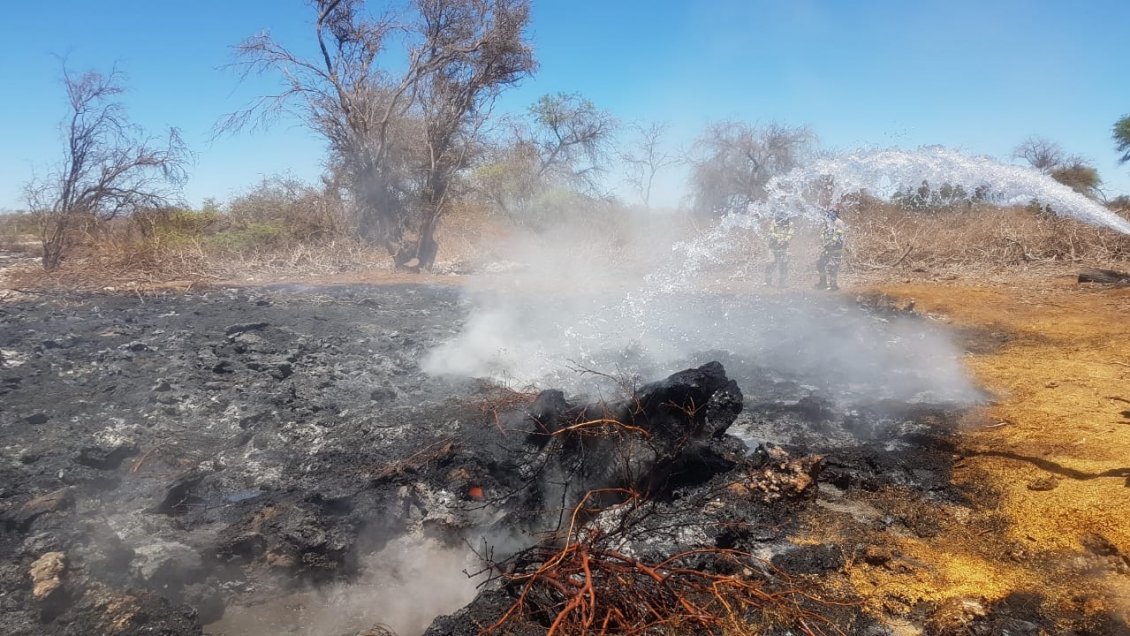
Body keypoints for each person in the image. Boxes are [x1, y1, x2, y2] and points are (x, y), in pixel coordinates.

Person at [816, 207, 846, 291]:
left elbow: (840, 234)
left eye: (833, 212)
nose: (831, 213)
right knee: (820, 263)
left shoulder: (839, 222)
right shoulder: (827, 222)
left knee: (833, 266)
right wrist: (823, 238)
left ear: (836, 213)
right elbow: (823, 232)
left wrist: (832, 242)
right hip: (827, 247)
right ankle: (823, 282)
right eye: (830, 211)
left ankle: (833, 285)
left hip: (836, 247)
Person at [763, 215, 794, 287]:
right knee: (771, 262)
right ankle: (768, 281)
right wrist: (778, 239)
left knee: (784, 264)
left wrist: (785, 240)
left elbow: (791, 234)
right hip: (773, 246)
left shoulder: (790, 223)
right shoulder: (773, 222)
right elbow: (771, 232)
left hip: (784, 247)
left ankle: (782, 283)